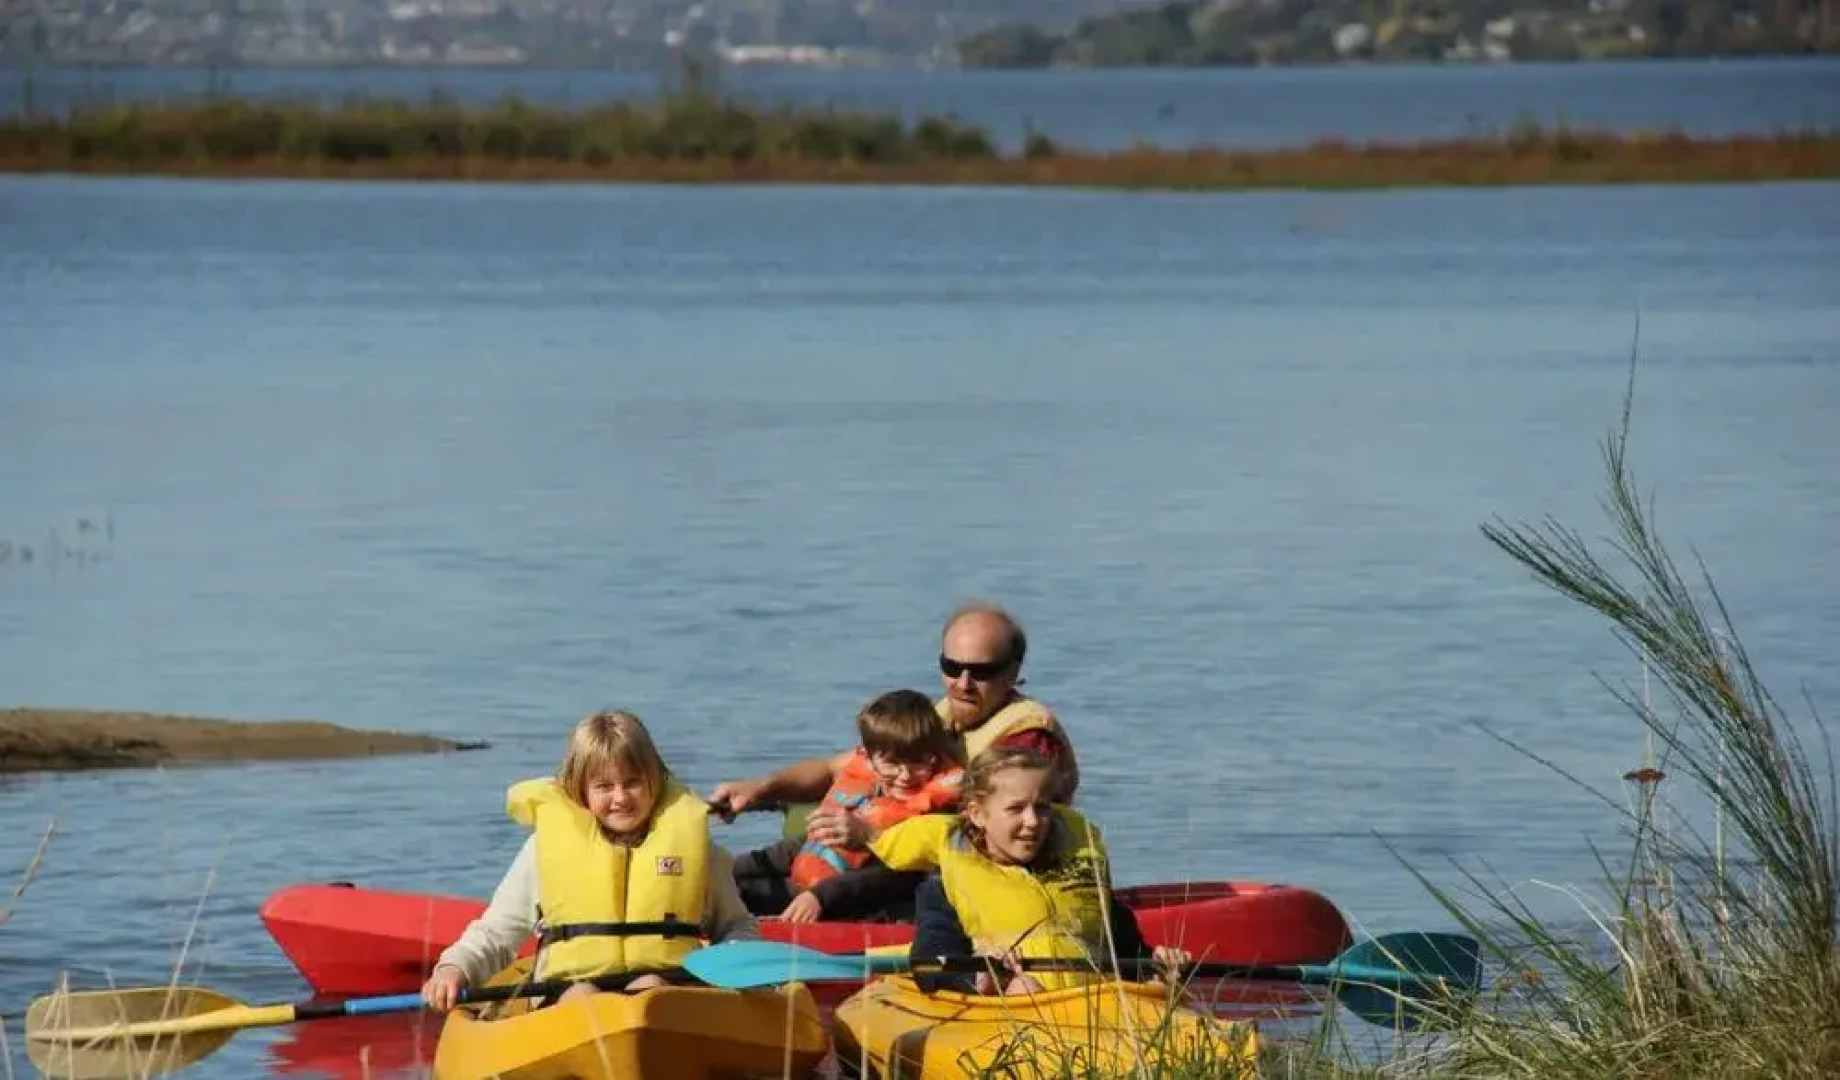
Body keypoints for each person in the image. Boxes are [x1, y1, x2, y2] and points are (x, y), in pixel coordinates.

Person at [420, 710, 759, 1013]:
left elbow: (737, 925)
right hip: (568, 988)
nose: (620, 798)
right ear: (580, 789)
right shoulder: (544, 848)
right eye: (604, 786)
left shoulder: (696, 847)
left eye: (632, 783)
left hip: (667, 987)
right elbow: (496, 933)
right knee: (581, 997)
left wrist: (737, 958)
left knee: (650, 991)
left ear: (655, 780)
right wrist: (453, 968)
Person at [709, 601, 1080, 863]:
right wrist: (759, 789)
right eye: (952, 666)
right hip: (899, 855)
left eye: (980, 672)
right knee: (787, 842)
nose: (963, 683)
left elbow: (993, 838)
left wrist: (874, 835)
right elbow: (840, 768)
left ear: (1012, 673)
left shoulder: (1027, 740)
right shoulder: (936, 718)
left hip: (963, 876)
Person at [867, 747, 1189, 996]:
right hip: (1009, 1008)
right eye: (1015, 809)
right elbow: (929, 965)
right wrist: (979, 976)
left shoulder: (1078, 874)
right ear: (978, 814)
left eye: (1042, 807)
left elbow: (1126, 952)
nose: (1033, 821)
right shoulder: (943, 887)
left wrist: (1158, 966)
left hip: (1096, 1008)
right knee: (1026, 989)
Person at [726, 688, 966, 923]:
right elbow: (807, 845)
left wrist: (820, 897)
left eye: (917, 762)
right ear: (869, 760)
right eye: (893, 763)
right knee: (726, 888)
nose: (905, 775)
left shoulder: (936, 809)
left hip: (870, 905)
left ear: (933, 755)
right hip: (817, 891)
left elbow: (899, 876)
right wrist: (728, 868)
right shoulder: (865, 790)